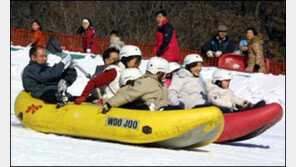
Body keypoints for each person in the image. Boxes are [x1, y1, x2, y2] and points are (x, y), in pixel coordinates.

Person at [101, 57, 176, 113]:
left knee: (176, 108)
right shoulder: (146, 82)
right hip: (151, 112)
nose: (165, 76)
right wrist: (110, 104)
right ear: (158, 72)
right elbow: (129, 95)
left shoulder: (162, 84)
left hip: (163, 111)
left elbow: (165, 99)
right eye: (163, 73)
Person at [74, 45, 142, 104]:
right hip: (109, 101)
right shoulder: (114, 71)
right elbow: (94, 82)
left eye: (138, 62)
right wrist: (83, 96)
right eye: (135, 61)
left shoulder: (135, 72)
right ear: (125, 59)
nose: (137, 64)